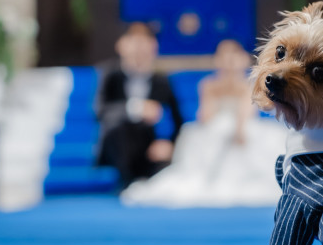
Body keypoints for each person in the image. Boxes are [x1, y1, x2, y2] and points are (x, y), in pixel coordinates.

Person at [120, 40, 287, 207]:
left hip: (241, 130)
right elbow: (206, 117)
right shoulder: (208, 85)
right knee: (218, 129)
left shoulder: (247, 85)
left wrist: (238, 129)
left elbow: (247, 114)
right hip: (215, 131)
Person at [96, 23, 183, 187]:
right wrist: (135, 108)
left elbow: (178, 121)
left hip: (149, 149)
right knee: (117, 128)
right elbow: (100, 111)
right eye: (135, 44)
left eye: (144, 44)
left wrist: (169, 143)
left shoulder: (162, 81)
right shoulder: (110, 75)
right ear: (122, 46)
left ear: (153, 48)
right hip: (120, 149)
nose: (139, 50)